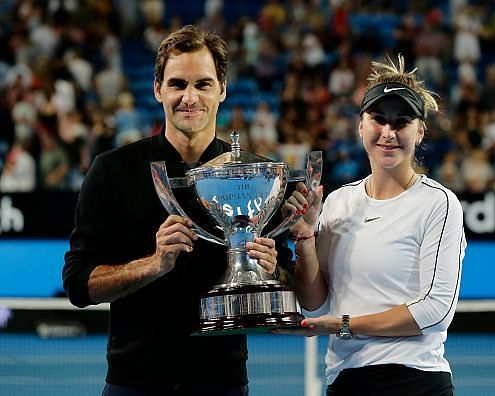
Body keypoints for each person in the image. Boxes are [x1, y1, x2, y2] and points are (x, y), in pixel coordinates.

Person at [63, 25, 290, 396]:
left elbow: (295, 286)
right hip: (134, 382)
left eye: (202, 84)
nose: (189, 97)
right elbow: (78, 285)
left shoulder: (257, 176)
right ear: (158, 90)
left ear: (222, 90)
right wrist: (153, 264)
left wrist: (272, 267)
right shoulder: (113, 170)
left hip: (223, 383)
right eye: (177, 84)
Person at [282, 54, 467, 395]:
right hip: (346, 381)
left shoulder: (438, 204)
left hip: (415, 381)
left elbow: (435, 312)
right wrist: (305, 237)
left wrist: (345, 325)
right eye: (378, 119)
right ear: (361, 126)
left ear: (420, 132)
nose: (388, 132)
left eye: (401, 122)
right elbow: (315, 306)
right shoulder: (338, 202)